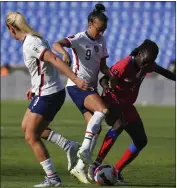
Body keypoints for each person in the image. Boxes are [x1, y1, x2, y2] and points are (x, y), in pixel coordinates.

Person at [6, 11, 88, 187]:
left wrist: (75, 79)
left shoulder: (31, 43)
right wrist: (34, 87)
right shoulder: (33, 39)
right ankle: (68, 146)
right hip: (44, 91)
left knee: (31, 135)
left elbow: (55, 61)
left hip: (49, 94)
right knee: (26, 127)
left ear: (11, 28)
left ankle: (53, 178)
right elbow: (43, 68)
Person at [87, 39, 176, 184]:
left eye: (150, 63)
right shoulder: (124, 65)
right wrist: (107, 86)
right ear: (139, 53)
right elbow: (103, 79)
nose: (146, 66)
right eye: (145, 61)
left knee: (141, 140)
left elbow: (165, 72)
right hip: (112, 100)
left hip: (127, 105)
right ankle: (96, 165)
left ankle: (115, 172)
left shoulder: (148, 65)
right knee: (119, 123)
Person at [52, 3, 116, 184]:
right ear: (90, 24)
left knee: (95, 128)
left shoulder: (101, 41)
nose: (101, 33)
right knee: (103, 111)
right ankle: (84, 151)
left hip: (90, 88)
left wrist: (111, 76)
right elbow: (56, 44)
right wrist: (64, 51)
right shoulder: (79, 38)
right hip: (77, 85)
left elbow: (102, 66)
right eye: (99, 29)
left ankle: (79, 167)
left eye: (104, 30)